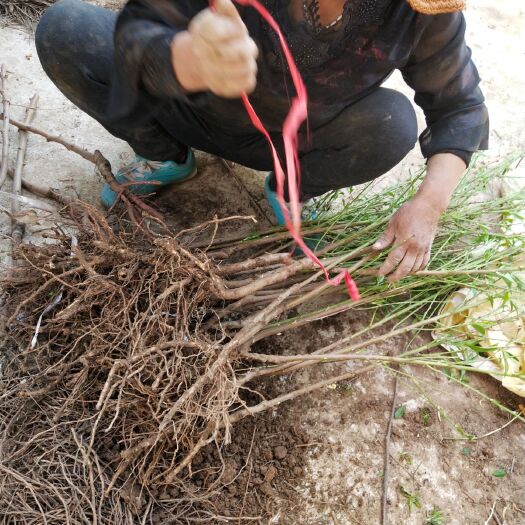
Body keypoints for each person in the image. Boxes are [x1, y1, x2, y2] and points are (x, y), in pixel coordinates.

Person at [35, 0, 488, 281]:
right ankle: (164, 156)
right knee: (65, 29)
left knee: (392, 123)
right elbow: (143, 27)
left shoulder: (419, 12)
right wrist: (182, 59)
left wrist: (429, 205)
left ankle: (291, 187)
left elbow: (460, 106)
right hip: (185, 108)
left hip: (294, 141)